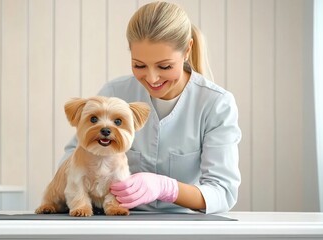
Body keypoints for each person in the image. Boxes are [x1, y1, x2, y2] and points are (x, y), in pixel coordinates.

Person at [63, 1, 241, 214]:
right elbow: (72, 160)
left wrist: (167, 188)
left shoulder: (215, 104)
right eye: (139, 65)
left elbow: (223, 192)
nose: (152, 78)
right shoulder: (113, 92)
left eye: (164, 66)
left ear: (187, 50)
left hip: (184, 225)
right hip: (118, 219)